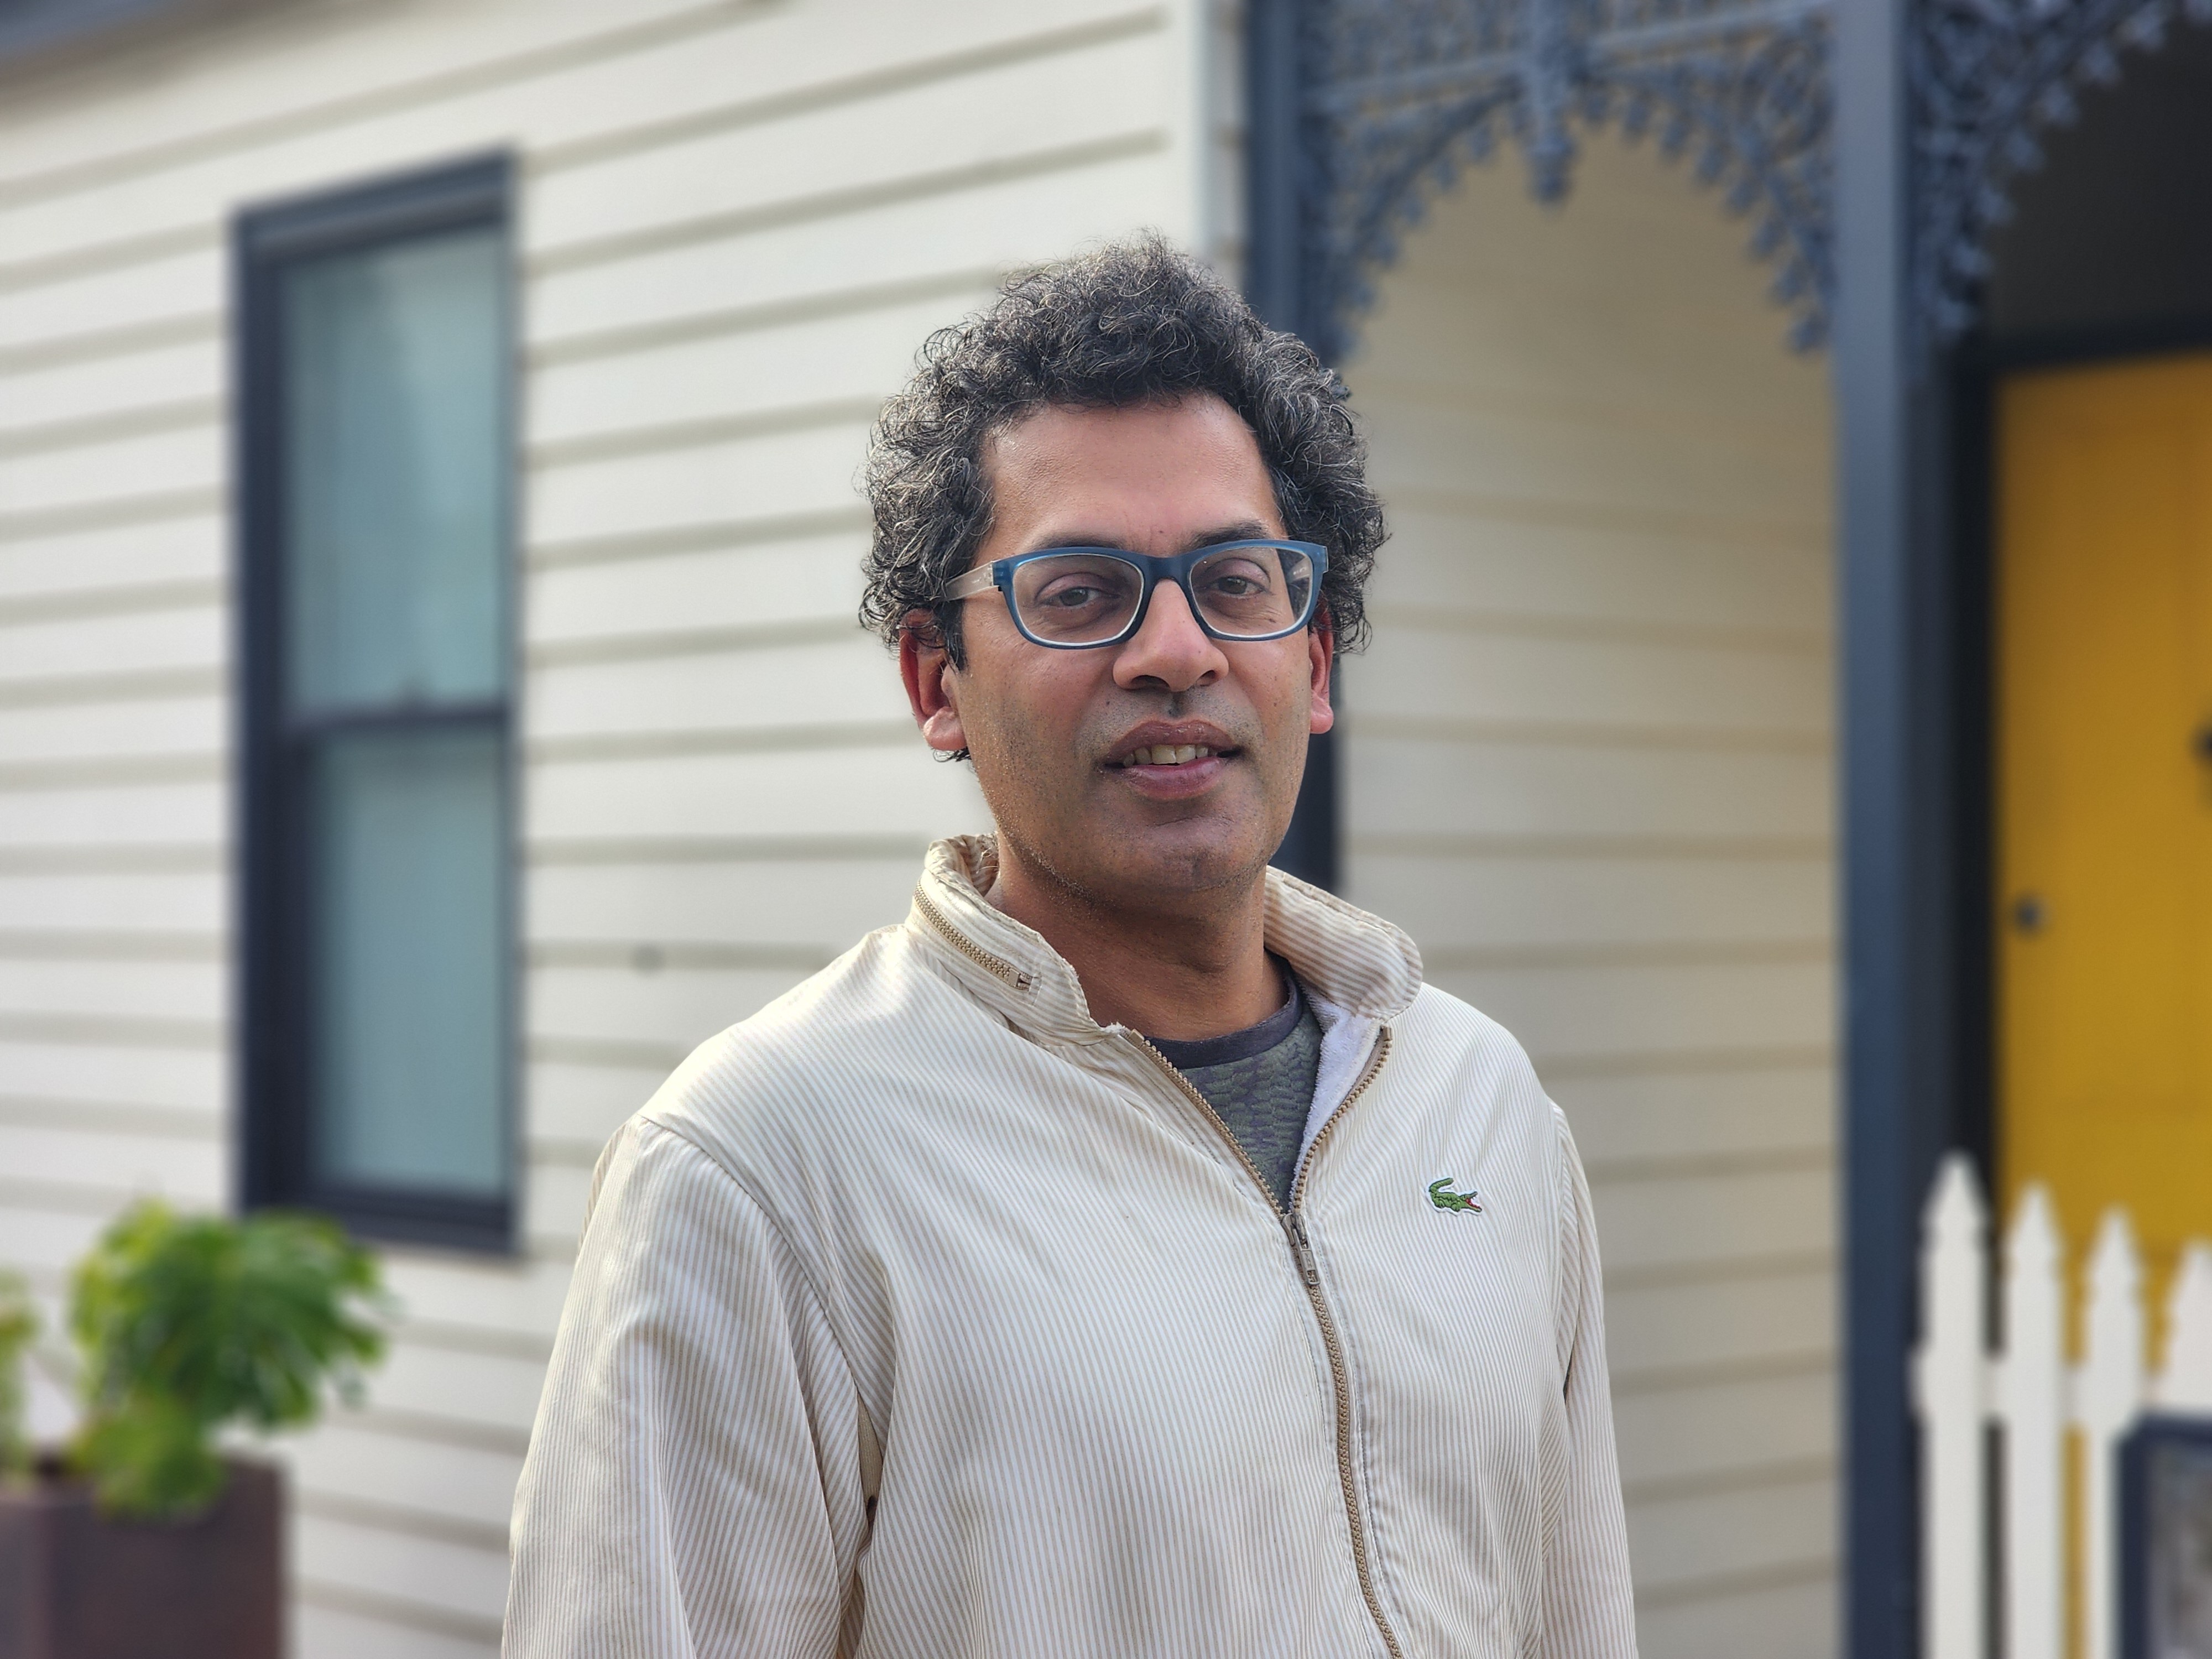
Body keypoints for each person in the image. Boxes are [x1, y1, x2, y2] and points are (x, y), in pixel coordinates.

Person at [505, 237, 1637, 1659]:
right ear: (939, 683)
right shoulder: (755, 1170)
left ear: (1318, 660)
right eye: (1080, 590)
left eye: (1235, 581)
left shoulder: (1479, 1103)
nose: (1175, 650)